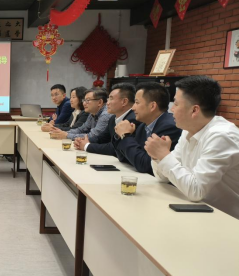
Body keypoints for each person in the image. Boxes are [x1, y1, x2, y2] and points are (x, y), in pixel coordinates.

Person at [146, 76, 239, 219]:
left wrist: (164, 155)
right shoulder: (188, 130)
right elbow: (163, 178)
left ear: (194, 110)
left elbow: (196, 191)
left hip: (227, 219)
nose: (171, 109)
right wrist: (157, 156)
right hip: (198, 211)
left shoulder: (222, 136)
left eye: (176, 104)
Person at [113, 82, 181, 175]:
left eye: (137, 102)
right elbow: (124, 158)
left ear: (152, 106)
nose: (133, 108)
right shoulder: (142, 125)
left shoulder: (169, 127)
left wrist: (126, 136)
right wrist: (120, 135)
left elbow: (145, 165)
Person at [74, 83, 137, 156]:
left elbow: (116, 148)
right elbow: (102, 138)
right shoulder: (113, 119)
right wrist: (82, 141)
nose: (107, 103)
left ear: (124, 102)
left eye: (111, 98)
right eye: (108, 99)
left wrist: (87, 146)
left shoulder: (133, 120)